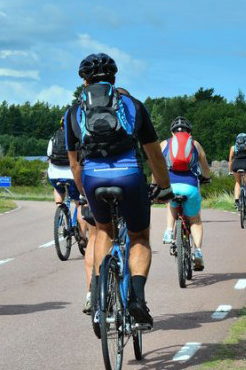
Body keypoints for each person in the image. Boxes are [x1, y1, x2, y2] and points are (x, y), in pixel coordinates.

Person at [65, 53, 172, 329]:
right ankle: (137, 299)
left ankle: (100, 299)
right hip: (129, 175)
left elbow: (75, 164)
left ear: (84, 80)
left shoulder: (73, 112)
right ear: (114, 79)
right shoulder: (132, 104)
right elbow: (154, 155)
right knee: (138, 237)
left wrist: (84, 195)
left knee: (103, 230)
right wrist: (164, 187)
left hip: (92, 178)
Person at [46, 121, 96, 314]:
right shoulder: (77, 137)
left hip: (55, 173)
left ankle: (59, 211)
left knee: (58, 190)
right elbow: (80, 160)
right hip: (71, 172)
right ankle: (82, 235)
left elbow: (48, 157)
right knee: (79, 202)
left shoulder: (53, 138)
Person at [159, 117, 211, 271]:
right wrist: (207, 178)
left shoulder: (164, 144)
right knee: (195, 220)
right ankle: (198, 252)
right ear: (189, 131)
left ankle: (169, 231)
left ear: (172, 132)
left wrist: (157, 184)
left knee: (171, 202)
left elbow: (157, 165)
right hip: (190, 186)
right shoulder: (195, 144)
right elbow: (205, 167)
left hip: (172, 185)